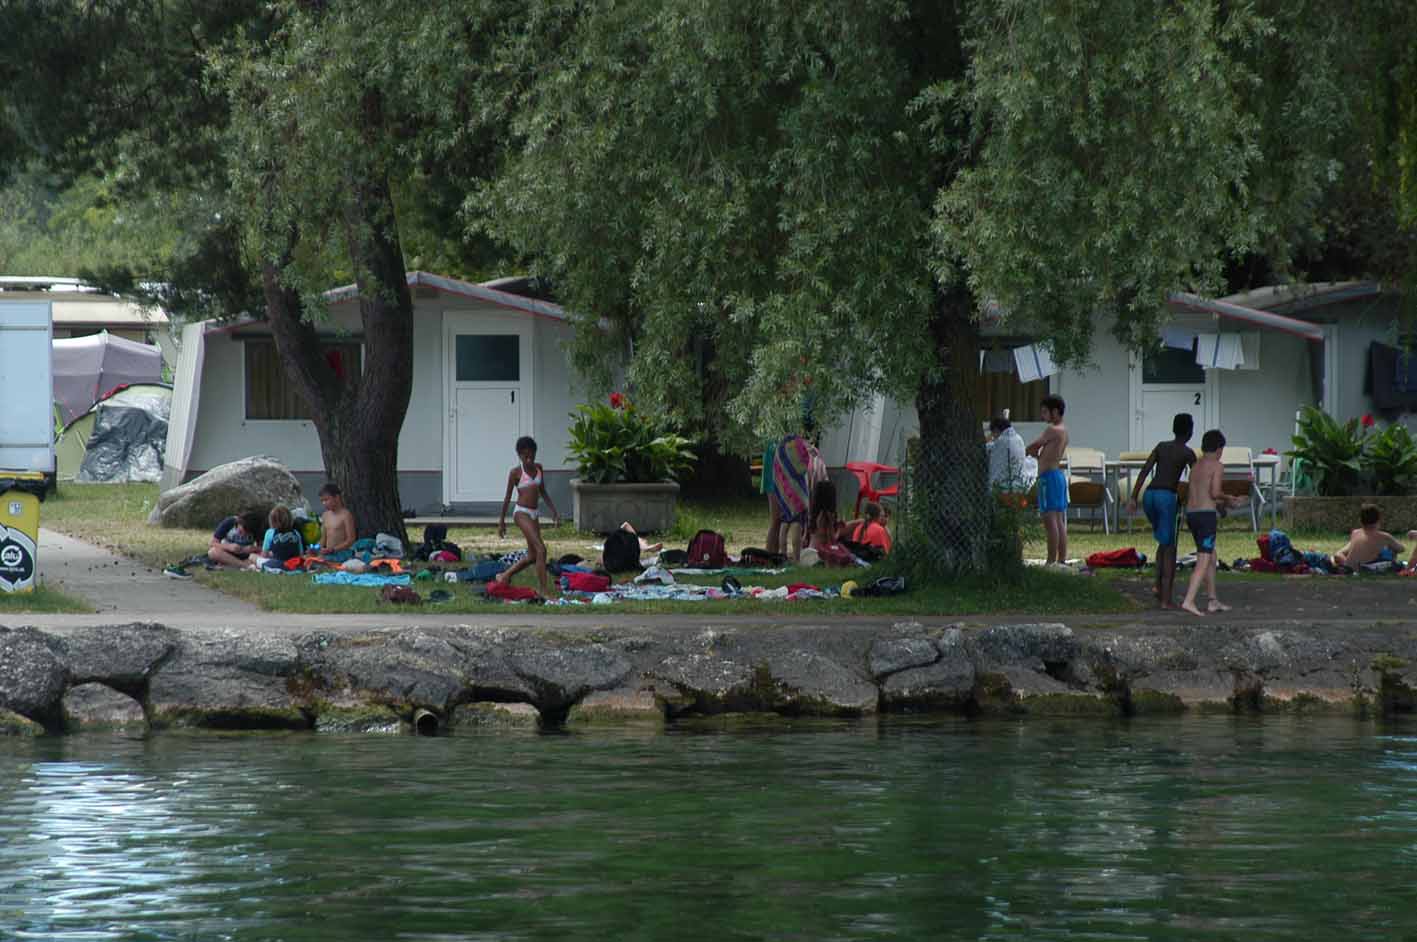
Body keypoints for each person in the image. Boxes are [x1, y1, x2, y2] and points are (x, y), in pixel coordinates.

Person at [1127, 412, 1197, 609]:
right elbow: (1197, 478)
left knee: (1163, 542)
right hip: (1166, 497)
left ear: (1173, 429)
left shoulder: (1161, 446)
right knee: (1170, 548)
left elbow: (1144, 471)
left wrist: (1133, 497)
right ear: (1190, 432)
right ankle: (1166, 600)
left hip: (1149, 496)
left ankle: (1158, 587)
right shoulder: (1188, 453)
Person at [1180, 429, 1245, 617]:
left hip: (1192, 515)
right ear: (1219, 449)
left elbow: (1200, 494)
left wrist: (1222, 505)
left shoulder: (1196, 466)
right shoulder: (1217, 466)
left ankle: (1212, 600)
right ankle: (1189, 601)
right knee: (1203, 559)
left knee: (1211, 555)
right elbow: (1215, 493)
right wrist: (1230, 498)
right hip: (1205, 516)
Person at [496, 435, 561, 594]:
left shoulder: (539, 468)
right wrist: (501, 522)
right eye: (525, 456)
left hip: (534, 513)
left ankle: (504, 576)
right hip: (521, 513)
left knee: (533, 555)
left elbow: (543, 491)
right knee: (541, 549)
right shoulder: (515, 472)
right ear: (519, 455)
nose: (529, 459)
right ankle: (544, 591)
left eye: (532, 455)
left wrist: (554, 511)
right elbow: (507, 498)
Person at [766, 429, 827, 562]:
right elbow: (803, 466)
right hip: (797, 492)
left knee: (783, 523)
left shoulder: (778, 447)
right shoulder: (796, 445)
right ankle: (796, 558)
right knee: (796, 524)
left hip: (783, 490)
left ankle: (782, 555)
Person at [1026, 394, 1070, 568]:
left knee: (1049, 521)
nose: (1042, 415)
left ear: (1055, 411)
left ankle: (1050, 561)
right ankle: (1061, 559)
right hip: (1058, 475)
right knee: (1058, 520)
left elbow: (1032, 446)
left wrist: (1034, 454)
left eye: (1045, 412)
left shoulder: (1052, 430)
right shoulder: (1064, 430)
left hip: (1048, 478)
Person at [1333, 504, 1406, 569]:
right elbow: (1401, 549)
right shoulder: (1384, 537)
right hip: (1366, 567)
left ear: (1361, 521)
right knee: (1390, 551)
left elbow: (1338, 554)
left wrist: (1348, 565)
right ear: (1379, 520)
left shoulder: (1355, 533)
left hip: (1353, 566)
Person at [250, 504, 305, 571]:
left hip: (277, 565)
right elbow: (300, 554)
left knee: (252, 556)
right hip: (294, 565)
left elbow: (264, 555)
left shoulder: (270, 532)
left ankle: (254, 567)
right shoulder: (296, 533)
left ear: (272, 520)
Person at [986, 415, 1033, 492]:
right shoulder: (1019, 438)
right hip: (1019, 485)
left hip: (1002, 487)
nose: (993, 436)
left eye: (993, 433)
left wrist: (988, 438)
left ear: (996, 430)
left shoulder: (1001, 441)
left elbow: (986, 448)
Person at [318, 483, 357, 561]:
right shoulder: (325, 515)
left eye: (326, 500)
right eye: (322, 501)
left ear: (337, 497)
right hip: (328, 553)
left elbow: (351, 540)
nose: (324, 503)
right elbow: (322, 538)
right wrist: (317, 549)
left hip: (342, 553)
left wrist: (333, 549)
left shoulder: (346, 515)